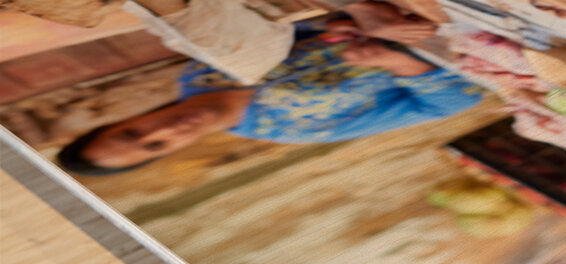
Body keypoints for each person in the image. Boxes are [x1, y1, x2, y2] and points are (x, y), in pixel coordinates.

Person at [58, 1, 483, 175]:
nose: (165, 131)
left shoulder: (201, 70)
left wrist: (339, 25)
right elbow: (450, 103)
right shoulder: (292, 129)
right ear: (169, 154)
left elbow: (302, 22)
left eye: (133, 132)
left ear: (125, 118)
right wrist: (397, 62)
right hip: (477, 48)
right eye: (156, 147)